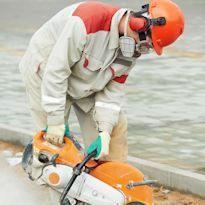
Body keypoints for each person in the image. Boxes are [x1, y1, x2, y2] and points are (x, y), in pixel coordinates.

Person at [19, 0, 184, 162]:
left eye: (149, 46)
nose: (143, 48)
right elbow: (56, 72)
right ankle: (49, 183)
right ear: (138, 24)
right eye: (148, 42)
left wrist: (104, 132)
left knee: (116, 127)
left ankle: (110, 183)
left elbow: (112, 93)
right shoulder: (86, 22)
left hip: (85, 79)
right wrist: (55, 120)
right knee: (51, 145)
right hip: (45, 73)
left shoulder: (132, 50)